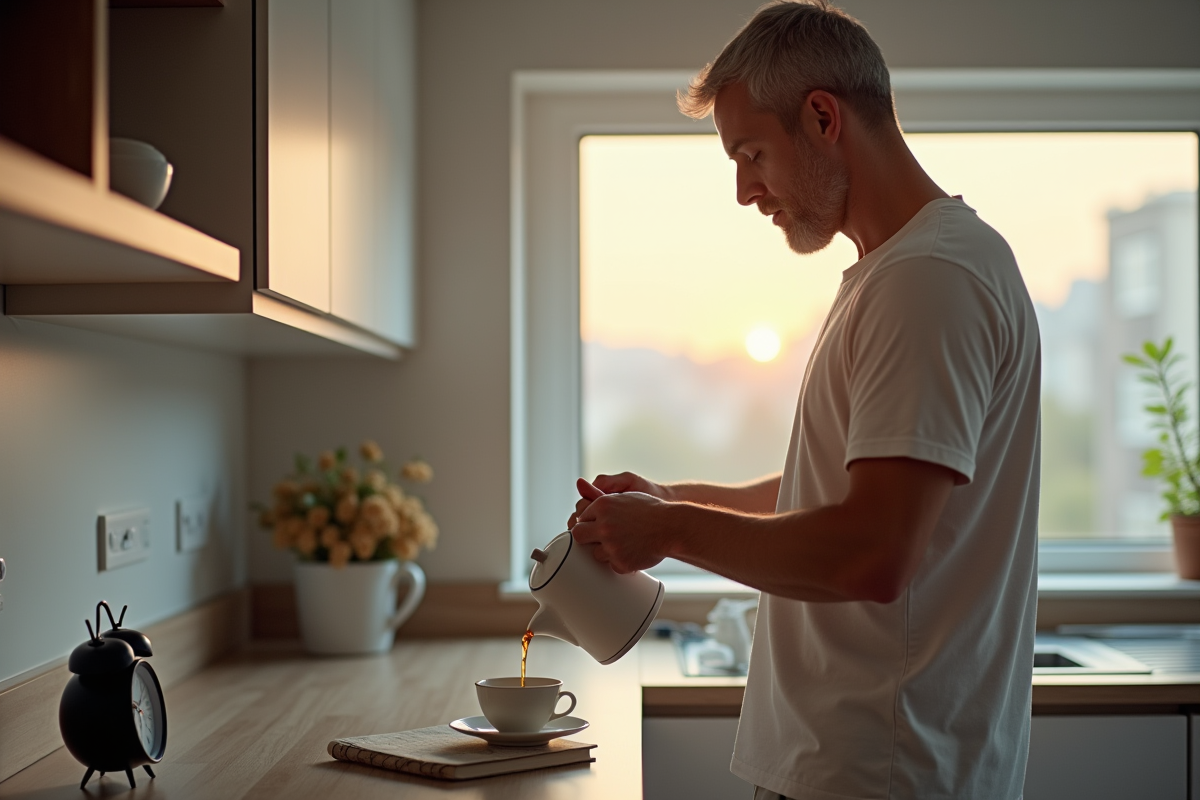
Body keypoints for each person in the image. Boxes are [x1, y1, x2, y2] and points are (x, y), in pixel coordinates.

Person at [567, 2, 1040, 798]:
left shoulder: (929, 282)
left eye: (751, 153)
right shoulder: (896, 273)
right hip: (862, 762)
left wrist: (673, 530)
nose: (746, 190)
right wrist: (670, 499)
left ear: (822, 117)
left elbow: (872, 550)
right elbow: (827, 499)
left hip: (877, 771)